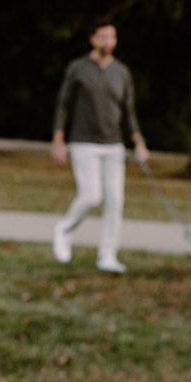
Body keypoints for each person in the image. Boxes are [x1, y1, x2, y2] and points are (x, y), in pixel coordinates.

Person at [51, 19, 149, 275]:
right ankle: (64, 229)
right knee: (91, 196)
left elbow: (128, 112)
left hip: (114, 145)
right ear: (93, 39)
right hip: (83, 142)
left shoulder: (121, 72)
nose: (109, 42)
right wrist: (58, 140)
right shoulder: (78, 68)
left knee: (115, 201)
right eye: (104, 37)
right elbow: (63, 104)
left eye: (112, 37)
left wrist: (139, 142)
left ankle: (107, 255)